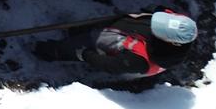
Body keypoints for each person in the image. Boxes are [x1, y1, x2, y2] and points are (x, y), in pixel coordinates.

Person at [32, 9, 197, 77]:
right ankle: (76, 31)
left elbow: (110, 65)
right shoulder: (176, 25)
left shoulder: (140, 62)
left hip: (106, 43)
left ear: (169, 41)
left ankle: (44, 51)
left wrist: (85, 55)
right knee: (85, 30)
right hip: (118, 27)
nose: (157, 20)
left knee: (69, 47)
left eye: (158, 28)